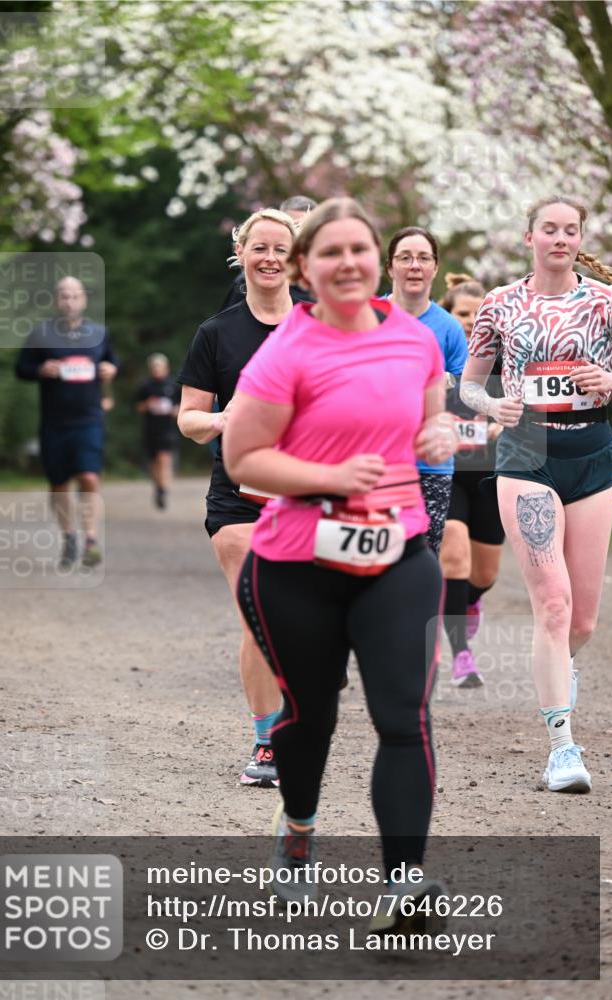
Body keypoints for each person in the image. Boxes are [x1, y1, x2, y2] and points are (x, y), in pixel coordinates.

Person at [223, 197, 458, 918]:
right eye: (330, 253)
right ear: (305, 269)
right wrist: (329, 478)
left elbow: (430, 415)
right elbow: (243, 461)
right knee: (311, 715)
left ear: (375, 259)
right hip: (297, 563)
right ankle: (297, 833)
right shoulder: (284, 353)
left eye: (359, 249)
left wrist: (438, 435)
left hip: (397, 551)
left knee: (402, 714)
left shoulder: (414, 340)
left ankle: (402, 883)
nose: (347, 262)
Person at [460, 195, 612, 793]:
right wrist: (493, 404)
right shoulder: (501, 304)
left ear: (581, 238)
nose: (560, 238)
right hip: (527, 451)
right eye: (549, 229)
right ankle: (562, 747)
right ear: (529, 236)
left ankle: (562, 667)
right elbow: (470, 386)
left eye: (570, 230)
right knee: (551, 604)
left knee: (581, 618)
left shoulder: (607, 302)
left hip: (591, 451)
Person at [177, 208, 299, 788]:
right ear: (241, 254)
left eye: (281, 248)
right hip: (238, 499)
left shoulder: (323, 328)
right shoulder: (216, 333)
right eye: (260, 248)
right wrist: (229, 418)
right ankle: (267, 742)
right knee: (260, 615)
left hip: (308, 496)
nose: (270, 258)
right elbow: (188, 419)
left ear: (296, 258)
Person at [16, 276, 118, 568]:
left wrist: (111, 369)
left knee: (89, 477)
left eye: (74, 296)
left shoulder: (99, 333)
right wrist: (41, 369)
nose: (69, 301)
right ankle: (69, 536)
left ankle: (90, 539)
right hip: (54, 422)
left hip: (89, 419)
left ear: (83, 300)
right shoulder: (41, 334)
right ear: (56, 300)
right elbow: (22, 369)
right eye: (64, 296)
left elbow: (112, 362)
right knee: (58, 484)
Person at [439, 275, 505, 687]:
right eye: (462, 313)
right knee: (454, 555)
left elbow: (529, 415)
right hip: (444, 475)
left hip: (490, 475)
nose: (470, 321)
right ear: (448, 316)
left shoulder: (505, 360)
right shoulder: (432, 358)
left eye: (478, 314)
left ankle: (472, 602)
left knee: (483, 575)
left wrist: (507, 425)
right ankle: (461, 654)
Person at [384, 228, 468, 554]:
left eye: (423, 258)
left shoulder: (449, 328)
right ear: (390, 267)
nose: (414, 266)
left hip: (430, 468)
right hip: (374, 463)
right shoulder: (367, 315)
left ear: (435, 267)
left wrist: (437, 381)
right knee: (369, 565)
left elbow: (463, 394)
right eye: (405, 258)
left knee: (420, 562)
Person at [219, 196, 317, 311]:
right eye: (294, 225)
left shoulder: (326, 279)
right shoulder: (248, 280)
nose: (299, 234)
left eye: (307, 229)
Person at [135, 353, 181, 509]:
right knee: (154, 462)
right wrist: (148, 404)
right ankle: (158, 488)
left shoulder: (174, 385)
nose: (157, 369)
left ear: (165, 367)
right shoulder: (145, 386)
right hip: (150, 429)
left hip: (168, 429)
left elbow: (182, 406)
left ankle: (164, 490)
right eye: (154, 367)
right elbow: (138, 407)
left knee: (164, 458)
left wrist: (175, 410)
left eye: (159, 366)